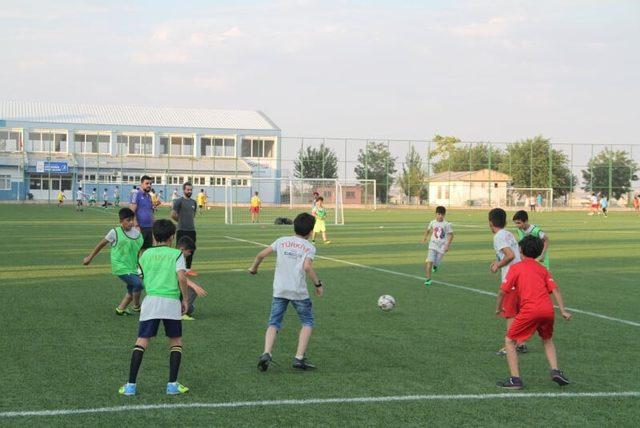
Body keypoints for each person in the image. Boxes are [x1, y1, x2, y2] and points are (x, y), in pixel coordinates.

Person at [119, 219, 190, 396]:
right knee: (175, 342)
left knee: (142, 341)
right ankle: (172, 385)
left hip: (151, 301)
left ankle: (130, 386)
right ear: (172, 237)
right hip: (171, 301)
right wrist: (186, 299)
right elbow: (182, 277)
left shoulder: (145, 255)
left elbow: (140, 277)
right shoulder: (177, 254)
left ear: (153, 235)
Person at [249, 213, 323, 371]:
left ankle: (266, 353)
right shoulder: (309, 247)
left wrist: (254, 268)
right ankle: (299, 358)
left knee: (273, 322)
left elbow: (260, 255)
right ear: (310, 232)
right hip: (298, 292)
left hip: (280, 290)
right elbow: (307, 267)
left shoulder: (281, 241)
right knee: (307, 322)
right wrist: (318, 284)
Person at [495, 235, 572, 390]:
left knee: (509, 340)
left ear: (520, 250)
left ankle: (515, 379)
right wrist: (563, 310)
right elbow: (555, 289)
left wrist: (498, 307)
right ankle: (555, 370)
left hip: (530, 310)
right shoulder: (542, 269)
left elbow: (502, 291)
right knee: (547, 339)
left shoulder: (516, 268)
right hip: (548, 310)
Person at [82, 208, 144, 315]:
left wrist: (139, 267)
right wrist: (89, 257)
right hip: (120, 267)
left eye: (132, 220)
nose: (131, 223)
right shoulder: (114, 232)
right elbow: (101, 245)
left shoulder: (138, 235)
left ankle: (120, 309)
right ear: (121, 221)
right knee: (138, 284)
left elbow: (138, 252)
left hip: (132, 267)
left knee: (131, 289)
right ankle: (136, 306)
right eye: (128, 220)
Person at [489, 208, 523, 356]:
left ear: (490, 222)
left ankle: (509, 346)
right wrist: (498, 261)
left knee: (510, 313)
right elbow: (514, 254)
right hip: (520, 275)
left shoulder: (498, 237)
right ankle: (520, 343)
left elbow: (509, 255)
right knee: (516, 312)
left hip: (512, 279)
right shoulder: (508, 233)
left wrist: (498, 265)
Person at [176, 236, 208, 321]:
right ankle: (181, 313)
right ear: (182, 249)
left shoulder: (174, 255)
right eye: (189, 251)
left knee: (191, 308)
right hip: (166, 292)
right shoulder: (177, 256)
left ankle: (181, 308)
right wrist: (194, 286)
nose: (190, 254)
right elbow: (179, 277)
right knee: (193, 287)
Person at [421, 205, 454, 287]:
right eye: (438, 214)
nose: (440, 216)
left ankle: (435, 266)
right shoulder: (432, 222)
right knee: (429, 261)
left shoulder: (446, 224)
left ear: (444, 215)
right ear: (435, 214)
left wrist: (447, 245)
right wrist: (425, 238)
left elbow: (451, 235)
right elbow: (428, 230)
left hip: (442, 246)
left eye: (442, 214)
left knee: (437, 261)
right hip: (432, 244)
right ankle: (428, 279)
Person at [172, 182, 198, 277]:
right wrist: (180, 221)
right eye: (187, 189)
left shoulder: (194, 202)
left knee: (191, 250)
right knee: (180, 250)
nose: (189, 191)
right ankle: (177, 268)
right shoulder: (179, 201)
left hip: (191, 230)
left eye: (191, 190)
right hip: (181, 230)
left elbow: (193, 215)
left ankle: (188, 269)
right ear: (184, 190)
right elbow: (173, 214)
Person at [130, 176, 155, 251]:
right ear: (141, 184)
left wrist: (154, 225)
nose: (149, 185)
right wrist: (136, 225)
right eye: (147, 183)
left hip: (149, 228)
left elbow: (151, 212)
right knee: (137, 250)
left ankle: (143, 263)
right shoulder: (136, 194)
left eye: (150, 183)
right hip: (140, 227)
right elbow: (131, 211)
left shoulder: (149, 196)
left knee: (147, 250)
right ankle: (136, 263)